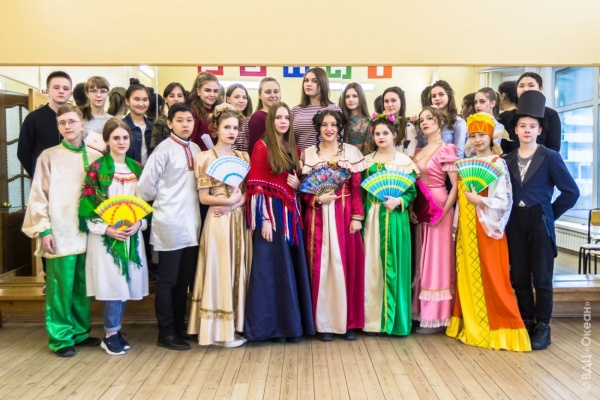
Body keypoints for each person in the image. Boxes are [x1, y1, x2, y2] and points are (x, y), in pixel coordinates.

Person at [22, 104, 103, 357]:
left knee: (82, 286)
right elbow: (38, 195)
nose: (67, 126)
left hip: (88, 232)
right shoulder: (49, 156)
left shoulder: (96, 157)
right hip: (60, 232)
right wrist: (44, 230)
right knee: (61, 288)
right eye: (62, 123)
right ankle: (61, 337)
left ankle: (80, 332)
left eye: (72, 121)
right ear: (58, 127)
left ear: (82, 125)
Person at [446, 113, 531, 351]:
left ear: (491, 137)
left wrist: (480, 201)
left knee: (493, 276)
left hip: (486, 226)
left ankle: (500, 329)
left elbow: (504, 200)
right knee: (466, 274)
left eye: (482, 135)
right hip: (466, 228)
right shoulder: (466, 162)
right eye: (473, 135)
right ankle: (470, 322)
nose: (477, 140)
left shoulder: (497, 162)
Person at [503, 91, 579, 350]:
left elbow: (571, 192)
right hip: (514, 221)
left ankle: (543, 325)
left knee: (543, 277)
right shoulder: (506, 160)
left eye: (532, 126)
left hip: (540, 220)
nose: (527, 130)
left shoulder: (550, 157)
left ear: (539, 130)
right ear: (515, 130)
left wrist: (550, 214)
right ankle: (526, 320)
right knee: (519, 275)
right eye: (522, 125)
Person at [244, 102, 315, 342]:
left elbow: (295, 183)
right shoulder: (262, 147)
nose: (283, 121)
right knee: (270, 269)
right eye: (278, 117)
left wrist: (298, 185)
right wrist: (264, 219)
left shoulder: (294, 148)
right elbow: (256, 186)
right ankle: (270, 328)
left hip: (290, 214)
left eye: (286, 118)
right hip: (272, 215)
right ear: (271, 120)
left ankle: (291, 327)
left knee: (290, 268)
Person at [79, 118, 149, 355]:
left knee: (124, 283)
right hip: (105, 237)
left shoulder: (137, 168)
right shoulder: (97, 168)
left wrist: (139, 223)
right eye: (116, 138)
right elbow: (88, 204)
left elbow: (147, 204)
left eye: (125, 138)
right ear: (107, 140)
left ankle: (115, 330)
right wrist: (106, 229)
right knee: (113, 283)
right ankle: (110, 333)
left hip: (131, 235)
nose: (121, 142)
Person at [136, 103, 201, 351]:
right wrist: (166, 200)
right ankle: (166, 332)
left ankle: (179, 325)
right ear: (170, 123)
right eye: (180, 120)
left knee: (184, 279)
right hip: (169, 223)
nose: (185, 124)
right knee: (168, 280)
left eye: (189, 120)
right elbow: (144, 189)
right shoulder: (163, 150)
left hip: (192, 224)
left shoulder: (195, 149)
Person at [188, 104, 251, 347]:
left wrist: (233, 204)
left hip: (238, 217)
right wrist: (226, 202)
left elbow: (246, 193)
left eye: (235, 128)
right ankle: (217, 331)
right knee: (219, 269)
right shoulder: (205, 158)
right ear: (216, 128)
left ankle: (235, 327)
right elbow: (204, 197)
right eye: (227, 127)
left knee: (237, 268)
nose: (232, 132)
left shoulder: (243, 157)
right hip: (217, 220)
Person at [300, 109, 366, 341]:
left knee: (346, 267)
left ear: (340, 127)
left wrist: (357, 217)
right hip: (317, 217)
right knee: (320, 268)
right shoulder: (308, 154)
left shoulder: (352, 152)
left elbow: (357, 188)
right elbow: (304, 190)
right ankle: (323, 324)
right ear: (318, 128)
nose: (329, 129)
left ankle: (347, 322)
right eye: (324, 125)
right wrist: (318, 198)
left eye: (334, 124)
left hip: (345, 216)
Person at [362, 112, 418, 336]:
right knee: (371, 267)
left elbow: (411, 192)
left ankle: (394, 322)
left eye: (385, 132)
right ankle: (371, 320)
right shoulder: (367, 161)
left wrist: (399, 201)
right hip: (371, 217)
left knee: (394, 266)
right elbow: (361, 191)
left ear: (395, 134)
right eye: (377, 133)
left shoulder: (404, 163)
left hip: (395, 218)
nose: (381, 137)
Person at [410, 106, 458, 333]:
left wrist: (444, 213)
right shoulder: (419, 151)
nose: (425, 122)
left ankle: (437, 316)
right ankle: (422, 312)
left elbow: (455, 186)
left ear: (439, 121)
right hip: (421, 205)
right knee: (423, 258)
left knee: (436, 259)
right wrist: (412, 206)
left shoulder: (447, 149)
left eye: (429, 118)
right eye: (422, 120)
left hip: (439, 204)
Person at [17, 71, 72, 178]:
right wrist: (37, 175)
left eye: (65, 88)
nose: (61, 91)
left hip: (72, 177)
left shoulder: (77, 118)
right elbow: (23, 152)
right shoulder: (33, 118)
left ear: (71, 93)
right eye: (56, 87)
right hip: (44, 178)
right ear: (47, 91)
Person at [500, 72, 561, 153]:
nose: (526, 89)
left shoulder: (551, 114)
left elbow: (554, 147)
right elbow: (503, 149)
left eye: (531, 85)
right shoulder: (505, 117)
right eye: (521, 86)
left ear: (540, 89)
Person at [291, 67, 342, 151]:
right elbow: (289, 140)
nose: (308, 84)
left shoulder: (334, 109)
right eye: (306, 80)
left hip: (326, 157)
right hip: (301, 157)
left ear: (323, 84)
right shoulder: (295, 110)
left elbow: (339, 139)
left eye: (314, 81)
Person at [421, 80, 468, 158]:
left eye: (441, 94)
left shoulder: (458, 122)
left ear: (449, 96)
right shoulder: (426, 121)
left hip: (449, 164)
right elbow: (420, 149)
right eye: (433, 96)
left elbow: (459, 154)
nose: (437, 98)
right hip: (426, 163)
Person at [463, 88, 510, 156]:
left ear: (492, 103)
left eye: (482, 102)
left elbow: (491, 149)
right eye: (475, 102)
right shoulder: (471, 123)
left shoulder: (497, 126)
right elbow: (467, 150)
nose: (477, 105)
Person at [123, 79, 153, 165]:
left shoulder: (153, 126)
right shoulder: (121, 126)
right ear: (127, 101)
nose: (141, 104)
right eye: (136, 99)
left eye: (145, 100)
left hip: (149, 172)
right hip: (127, 171)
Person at [248, 77, 281, 155]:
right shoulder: (258, 117)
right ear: (260, 95)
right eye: (268, 92)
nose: (273, 95)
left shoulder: (283, 116)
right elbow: (255, 149)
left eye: (276, 91)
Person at [188, 72, 221, 150]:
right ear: (198, 91)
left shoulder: (219, 111)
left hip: (217, 156)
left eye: (215, 91)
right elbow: (190, 142)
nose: (212, 95)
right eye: (207, 90)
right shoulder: (193, 113)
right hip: (198, 156)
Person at [382, 86, 417, 157]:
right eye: (386, 101)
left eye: (393, 100)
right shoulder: (380, 125)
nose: (389, 105)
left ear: (401, 102)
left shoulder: (408, 127)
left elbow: (410, 155)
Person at [150, 82, 186, 150]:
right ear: (165, 99)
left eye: (180, 96)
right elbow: (155, 148)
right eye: (172, 96)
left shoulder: (188, 120)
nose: (176, 99)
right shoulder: (160, 122)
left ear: (184, 99)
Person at [80, 76, 112, 153]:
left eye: (103, 91)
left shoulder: (112, 120)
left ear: (108, 93)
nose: (98, 95)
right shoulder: (78, 117)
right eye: (94, 91)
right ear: (87, 94)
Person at [339, 83, 372, 155]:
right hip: (339, 159)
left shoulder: (368, 122)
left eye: (354, 96)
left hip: (361, 160)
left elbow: (368, 150)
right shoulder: (338, 120)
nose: (350, 100)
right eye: (347, 96)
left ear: (361, 98)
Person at [226, 83, 253, 152]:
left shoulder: (250, 121)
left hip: (247, 158)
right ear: (228, 99)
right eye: (237, 97)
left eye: (244, 97)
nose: (241, 101)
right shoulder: (224, 120)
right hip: (229, 157)